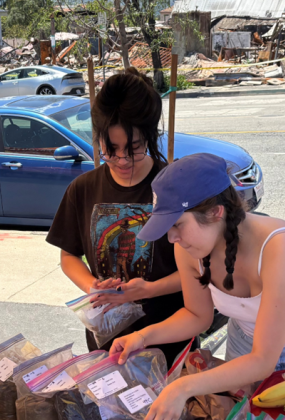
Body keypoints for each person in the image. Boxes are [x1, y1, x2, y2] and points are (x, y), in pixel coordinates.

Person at [110, 153, 285, 420]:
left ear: (216, 212)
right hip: (246, 342)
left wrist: (182, 387)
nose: (171, 238)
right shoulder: (187, 248)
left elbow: (263, 360)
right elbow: (197, 316)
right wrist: (142, 336)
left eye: (177, 225)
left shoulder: (282, 247)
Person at [46, 68, 192, 367]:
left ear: (150, 137)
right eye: (110, 150)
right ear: (97, 138)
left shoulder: (173, 186)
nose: (122, 160)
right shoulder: (83, 189)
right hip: (107, 345)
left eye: (134, 149)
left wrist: (149, 289)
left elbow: (199, 271)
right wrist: (92, 286)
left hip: (170, 340)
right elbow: (68, 257)